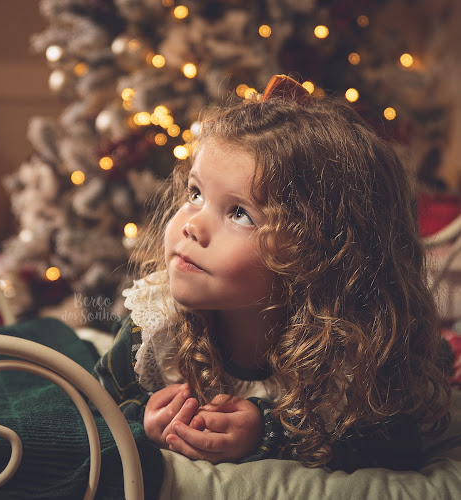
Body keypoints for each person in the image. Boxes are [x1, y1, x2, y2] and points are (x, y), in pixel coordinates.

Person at [93, 75, 451, 471]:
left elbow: (392, 449)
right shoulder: (156, 330)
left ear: (319, 253)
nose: (191, 224)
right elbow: (100, 403)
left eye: (239, 213)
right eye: (195, 194)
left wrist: (267, 433)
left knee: (432, 358)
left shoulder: (355, 358)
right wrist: (142, 422)